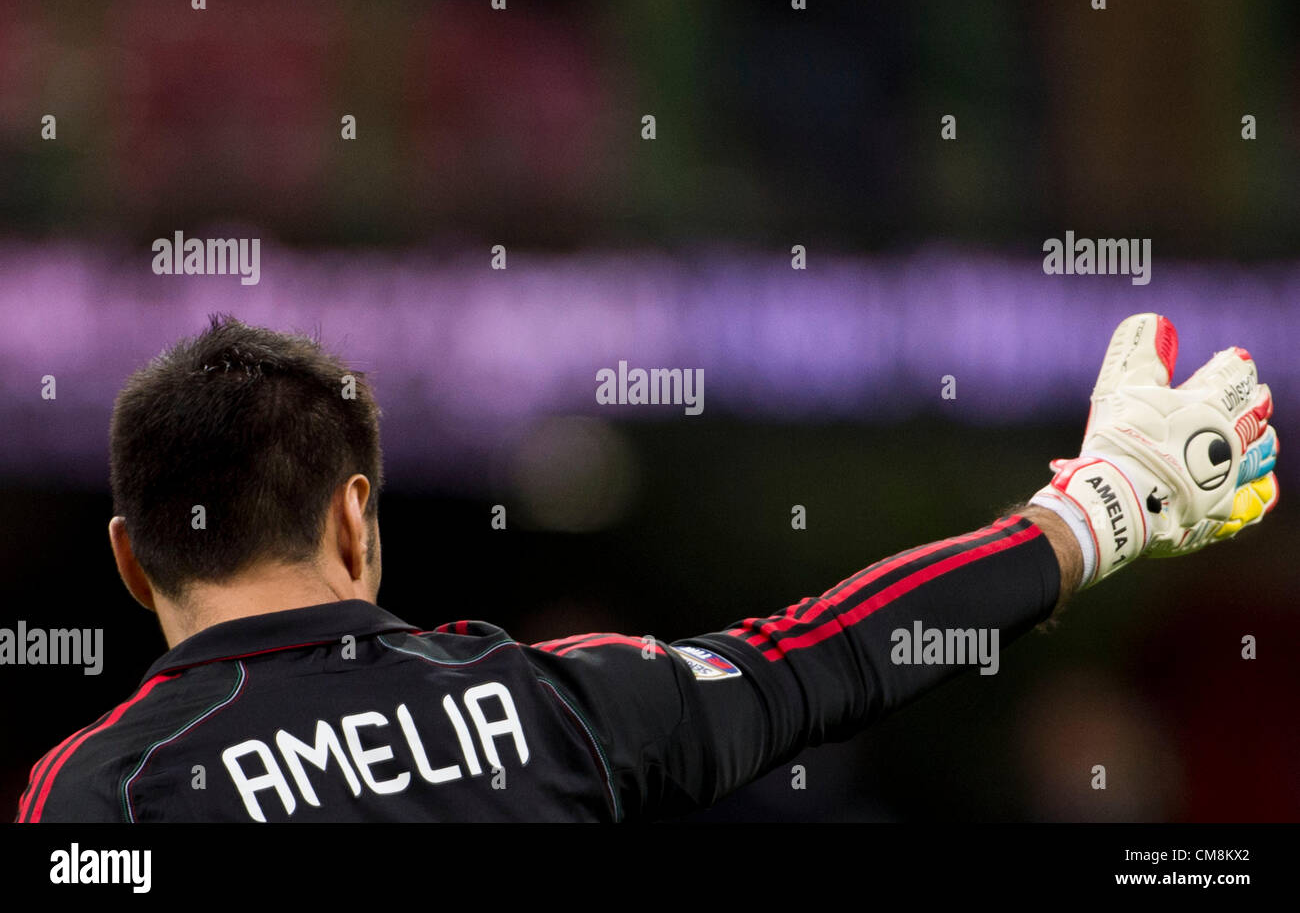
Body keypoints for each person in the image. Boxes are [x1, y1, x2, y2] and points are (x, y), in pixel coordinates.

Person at [14, 312, 1278, 822]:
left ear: (131, 561)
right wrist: (1103, 507)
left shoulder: (94, 801)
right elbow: (821, 657)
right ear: (355, 519)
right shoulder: (554, 706)